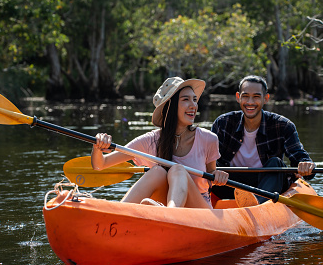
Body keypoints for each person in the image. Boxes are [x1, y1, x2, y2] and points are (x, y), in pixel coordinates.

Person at [91, 77, 229, 208]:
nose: (193, 105)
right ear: (170, 106)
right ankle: (119, 212)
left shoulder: (208, 139)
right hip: (164, 210)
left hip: (199, 211)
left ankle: (170, 213)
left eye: (194, 99)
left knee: (178, 169)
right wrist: (98, 146)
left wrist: (218, 175)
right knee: (157, 172)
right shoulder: (150, 140)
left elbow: (211, 173)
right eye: (186, 99)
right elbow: (100, 164)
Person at [211, 75, 315, 204]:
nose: (250, 102)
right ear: (238, 97)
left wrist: (305, 165)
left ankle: (256, 204)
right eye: (245, 96)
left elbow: (299, 157)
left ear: (266, 99)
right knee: (213, 166)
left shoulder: (283, 125)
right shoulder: (223, 123)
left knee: (275, 164)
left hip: (267, 183)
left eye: (256, 97)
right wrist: (214, 170)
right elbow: (207, 158)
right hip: (230, 183)